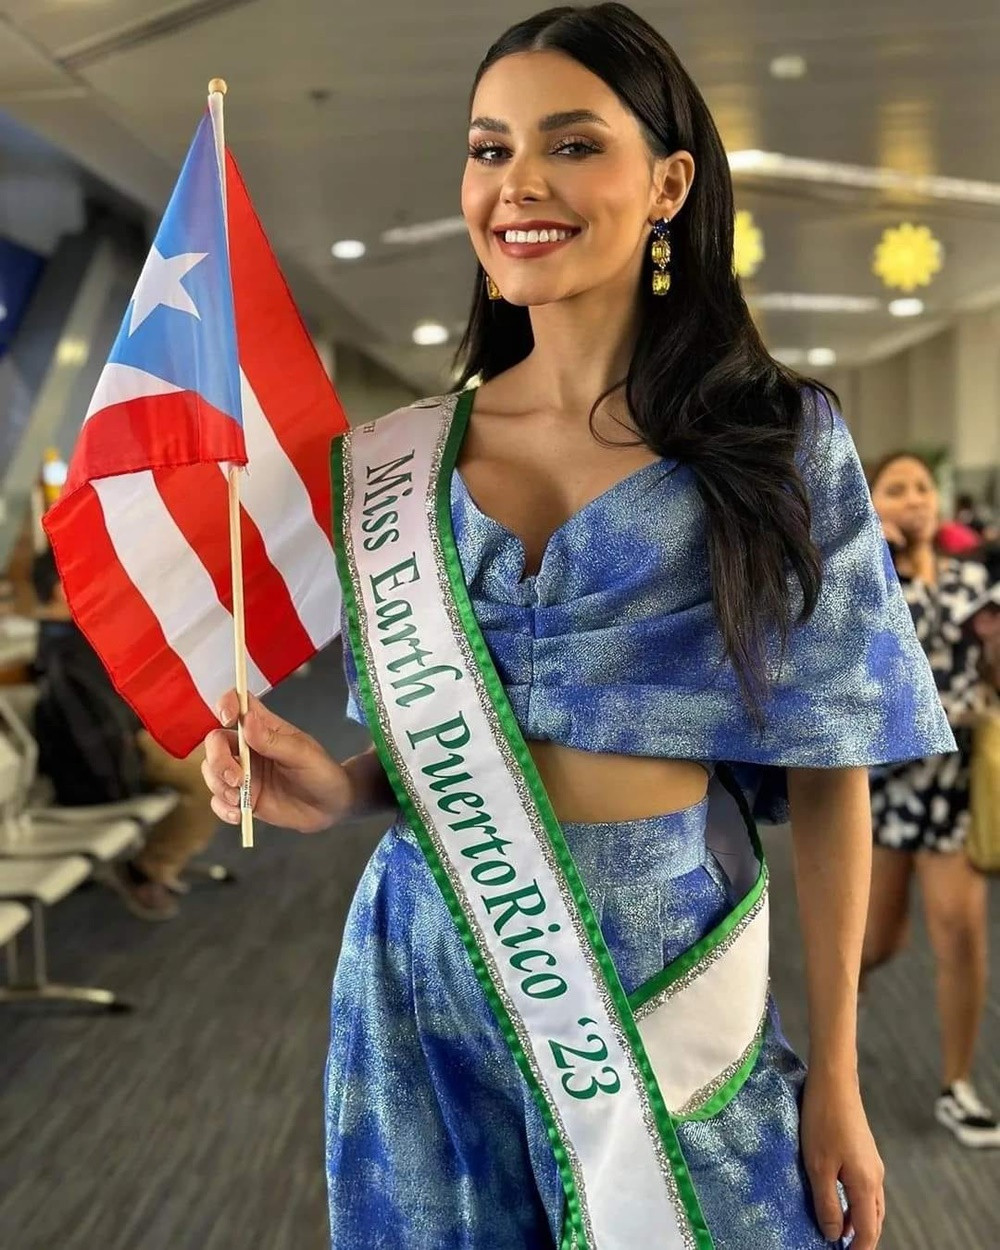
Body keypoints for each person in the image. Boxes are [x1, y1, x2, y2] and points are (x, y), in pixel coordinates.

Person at [204, 6, 953, 1247]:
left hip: (661, 947)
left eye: (569, 144)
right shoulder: (404, 460)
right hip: (421, 954)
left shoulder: (776, 439)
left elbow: (834, 775)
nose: (519, 186)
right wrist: (337, 790)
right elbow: (458, 746)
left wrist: (838, 1071)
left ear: (667, 182)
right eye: (488, 149)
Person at [864, 452, 1000, 1148]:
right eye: (896, 488)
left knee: (962, 932)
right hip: (886, 786)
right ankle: (831, 1045)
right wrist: (876, 553)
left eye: (922, 487)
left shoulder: (974, 578)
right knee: (876, 941)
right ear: (872, 500)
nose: (914, 499)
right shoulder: (864, 580)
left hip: (952, 785)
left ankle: (956, 1085)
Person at [31, 545, 219, 921]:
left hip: (136, 737)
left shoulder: (75, 638)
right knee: (211, 775)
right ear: (58, 590)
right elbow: (103, 720)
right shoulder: (65, 650)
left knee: (220, 753)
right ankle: (149, 868)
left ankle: (160, 856)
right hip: (129, 749)